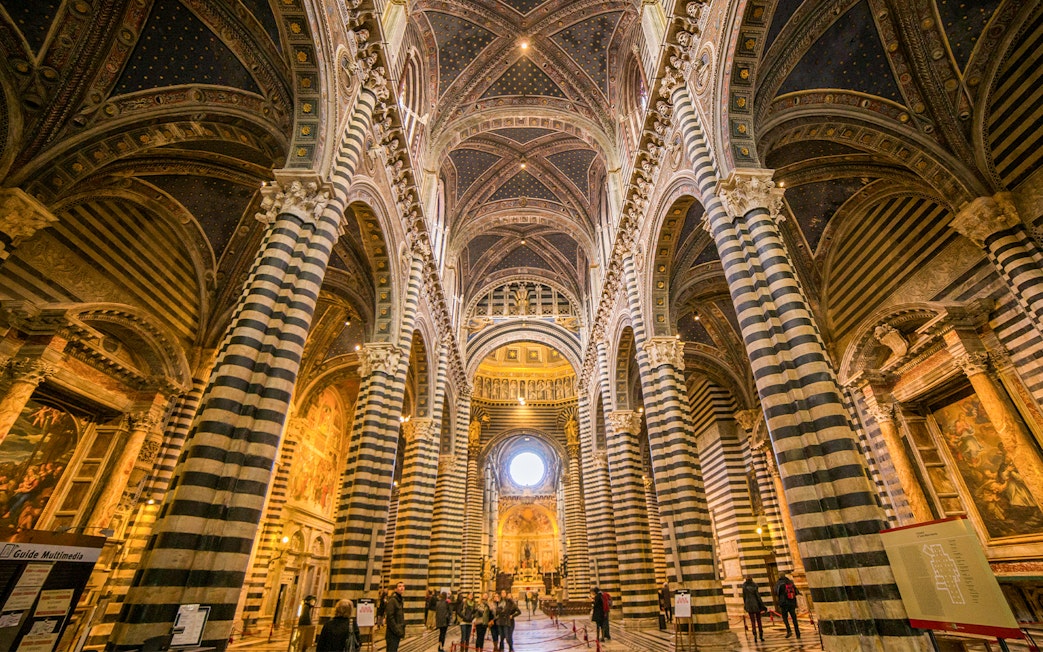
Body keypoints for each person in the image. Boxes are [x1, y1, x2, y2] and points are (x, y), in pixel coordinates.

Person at [775, 574, 800, 639]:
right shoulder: (790, 582)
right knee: (794, 618)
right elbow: (796, 591)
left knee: (785, 618)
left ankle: (789, 630)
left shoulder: (779, 583)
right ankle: (798, 633)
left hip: (783, 603)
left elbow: (776, 592)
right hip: (792, 602)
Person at [742, 577, 767, 642]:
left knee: (752, 621)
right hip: (756, 604)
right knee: (759, 620)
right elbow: (758, 597)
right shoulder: (754, 586)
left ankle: (755, 635)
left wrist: (745, 605)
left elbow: (744, 597)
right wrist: (763, 606)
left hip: (749, 604)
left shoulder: (744, 587)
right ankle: (761, 635)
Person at [385, 582, 406, 652]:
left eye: (403, 586)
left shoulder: (400, 600)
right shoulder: (393, 600)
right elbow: (390, 617)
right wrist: (397, 630)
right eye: (399, 586)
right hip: (392, 633)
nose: (402, 588)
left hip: (397, 632)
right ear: (395, 589)